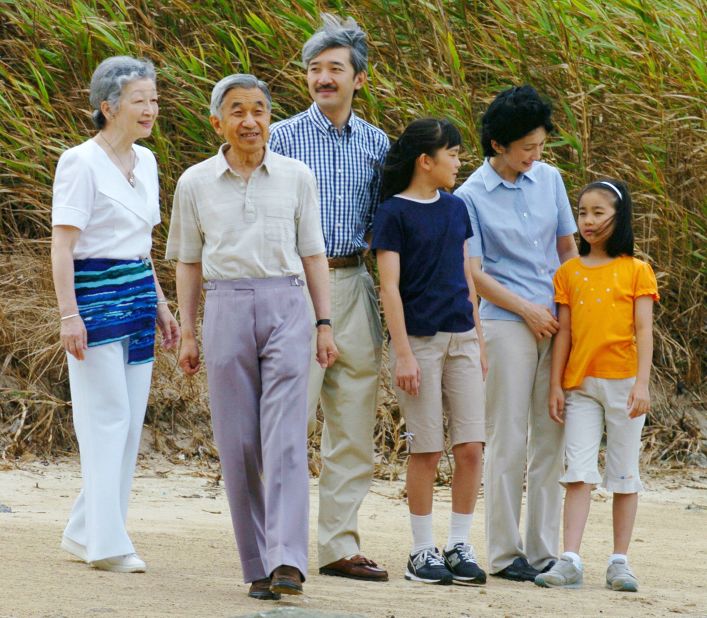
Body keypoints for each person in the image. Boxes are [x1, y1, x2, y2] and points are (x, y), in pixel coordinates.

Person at [166, 74, 337, 599]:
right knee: (238, 442)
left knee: (284, 434)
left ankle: (288, 559)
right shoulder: (194, 182)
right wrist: (188, 332)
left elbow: (313, 254)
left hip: (288, 303)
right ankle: (257, 564)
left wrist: (324, 324)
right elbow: (188, 262)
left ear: (270, 118)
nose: (250, 121)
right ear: (217, 122)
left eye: (259, 110)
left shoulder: (296, 176)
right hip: (226, 304)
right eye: (237, 111)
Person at [268, 14, 389, 582]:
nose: (322, 77)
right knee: (290, 420)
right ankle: (281, 550)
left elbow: (383, 222)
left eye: (334, 68)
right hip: (295, 287)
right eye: (314, 69)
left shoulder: (377, 143)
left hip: (355, 282)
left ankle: (339, 545)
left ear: (358, 78)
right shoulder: (284, 136)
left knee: (353, 417)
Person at [51, 56, 179, 573]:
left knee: (128, 422)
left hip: (138, 297)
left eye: (153, 99)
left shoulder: (145, 162)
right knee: (105, 419)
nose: (151, 109)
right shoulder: (79, 161)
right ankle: (106, 543)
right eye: (139, 100)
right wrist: (68, 315)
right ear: (107, 107)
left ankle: (87, 529)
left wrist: (163, 304)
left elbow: (143, 245)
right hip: (95, 299)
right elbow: (62, 247)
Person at [454, 85, 578, 582]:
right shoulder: (469, 196)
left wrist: (569, 312)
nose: (535, 155)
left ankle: (545, 550)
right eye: (527, 147)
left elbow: (568, 251)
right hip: (507, 322)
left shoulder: (551, 180)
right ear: (498, 145)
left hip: (558, 322)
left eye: (540, 146)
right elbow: (474, 273)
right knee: (506, 437)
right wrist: (527, 309)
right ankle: (505, 554)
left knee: (552, 434)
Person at [373, 119, 487, 586]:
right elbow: (390, 289)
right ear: (427, 160)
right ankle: (421, 550)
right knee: (426, 448)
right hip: (419, 342)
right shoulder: (393, 213)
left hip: (462, 338)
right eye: (454, 154)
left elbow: (466, 274)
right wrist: (402, 354)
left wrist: (478, 339)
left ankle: (459, 544)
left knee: (471, 447)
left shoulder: (457, 208)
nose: (459, 163)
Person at [535, 179, 658, 592]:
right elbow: (563, 335)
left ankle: (619, 561)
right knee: (578, 473)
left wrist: (642, 384)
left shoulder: (637, 270)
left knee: (625, 474)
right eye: (583, 212)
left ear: (618, 217)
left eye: (598, 213)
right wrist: (556, 385)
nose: (588, 221)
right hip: (580, 387)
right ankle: (569, 558)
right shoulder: (568, 272)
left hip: (625, 386)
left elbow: (645, 330)